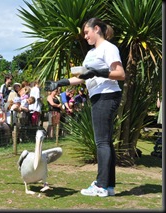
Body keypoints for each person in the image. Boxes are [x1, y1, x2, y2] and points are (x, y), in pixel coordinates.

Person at [45, 17, 125, 197]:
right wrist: (59, 83)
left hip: (107, 95)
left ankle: (101, 185)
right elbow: (82, 77)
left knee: (101, 142)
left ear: (96, 29)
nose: (85, 37)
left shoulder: (109, 48)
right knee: (105, 141)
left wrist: (98, 71)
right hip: (98, 96)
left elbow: (120, 74)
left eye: (87, 32)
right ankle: (109, 186)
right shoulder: (91, 53)